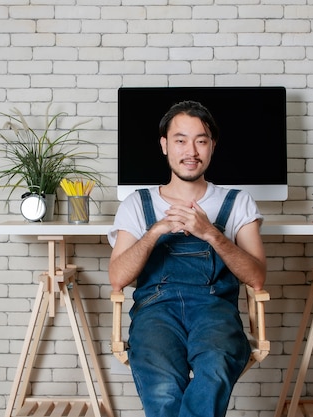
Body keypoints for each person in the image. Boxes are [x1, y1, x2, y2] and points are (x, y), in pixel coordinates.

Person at [107, 100, 266, 417]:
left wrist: (211, 233)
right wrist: (154, 232)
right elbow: (117, 278)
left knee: (216, 365)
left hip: (214, 309)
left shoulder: (236, 202)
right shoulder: (138, 203)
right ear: (165, 145)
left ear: (212, 146)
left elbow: (257, 276)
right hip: (156, 310)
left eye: (201, 140)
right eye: (180, 140)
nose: (190, 151)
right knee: (162, 384)